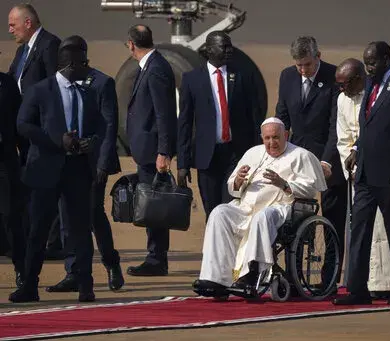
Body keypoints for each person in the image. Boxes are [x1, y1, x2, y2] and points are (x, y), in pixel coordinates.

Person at [9, 36, 105, 303]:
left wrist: (91, 142)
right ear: (71, 64)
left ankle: (86, 285)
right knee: (38, 230)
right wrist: (57, 140)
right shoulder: (41, 90)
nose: (88, 67)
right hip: (45, 170)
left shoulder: (88, 90)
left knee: (80, 229)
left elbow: (100, 125)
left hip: (77, 170)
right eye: (84, 62)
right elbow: (23, 125)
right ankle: (29, 285)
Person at [193, 118, 326, 294]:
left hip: (281, 208)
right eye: (267, 138)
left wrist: (284, 183)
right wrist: (238, 181)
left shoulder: (301, 156)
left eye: (276, 137)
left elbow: (311, 189)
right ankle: (215, 279)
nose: (272, 143)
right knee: (219, 213)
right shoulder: (252, 153)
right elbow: (232, 186)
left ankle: (252, 274)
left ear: (285, 135)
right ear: (262, 138)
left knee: (262, 217)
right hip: (246, 207)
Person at [333, 41, 390, 306]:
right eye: (366, 63)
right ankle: (357, 290)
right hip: (365, 173)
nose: (369, 68)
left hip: (389, 174)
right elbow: (366, 124)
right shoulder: (371, 84)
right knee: (358, 230)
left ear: (387, 59)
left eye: (372, 63)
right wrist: (357, 147)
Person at [46, 61, 124, 292]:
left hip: (92, 164)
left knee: (92, 214)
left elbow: (109, 126)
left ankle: (111, 263)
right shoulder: (58, 83)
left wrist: (102, 163)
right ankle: (74, 272)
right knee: (65, 216)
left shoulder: (102, 82)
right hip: (65, 161)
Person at [275, 36, 347, 287]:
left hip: (328, 158)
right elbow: (282, 117)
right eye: (299, 65)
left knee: (333, 220)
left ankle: (328, 279)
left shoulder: (334, 77)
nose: (303, 70)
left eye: (307, 64)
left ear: (318, 56)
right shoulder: (287, 77)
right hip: (296, 160)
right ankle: (294, 278)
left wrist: (326, 162)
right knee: (295, 219)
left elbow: (335, 126)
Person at [177, 31, 262, 220]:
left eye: (230, 46)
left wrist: (258, 154)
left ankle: (229, 250)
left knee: (230, 208)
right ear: (209, 50)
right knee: (212, 211)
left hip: (236, 154)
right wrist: (182, 164)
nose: (229, 50)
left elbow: (254, 117)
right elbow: (184, 122)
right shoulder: (192, 79)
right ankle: (213, 249)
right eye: (224, 46)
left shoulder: (242, 75)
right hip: (207, 158)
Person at [335, 58, 390, 299]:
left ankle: (386, 283)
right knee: (362, 231)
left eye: (345, 84)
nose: (342, 90)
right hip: (358, 174)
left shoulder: (376, 93)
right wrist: (351, 166)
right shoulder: (342, 100)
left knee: (384, 227)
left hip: (381, 169)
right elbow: (343, 137)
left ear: (359, 78)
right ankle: (362, 284)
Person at [7, 3, 63, 260]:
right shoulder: (21, 51)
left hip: (41, 131)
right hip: (22, 130)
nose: (10, 30)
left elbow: (56, 86)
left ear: (27, 23)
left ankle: (54, 244)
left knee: (47, 186)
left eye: (12, 24)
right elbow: (11, 83)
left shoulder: (50, 45)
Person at [125, 25, 177, 277]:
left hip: (153, 152)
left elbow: (164, 113)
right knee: (150, 204)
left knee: (154, 205)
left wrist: (163, 151)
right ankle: (156, 256)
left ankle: (156, 259)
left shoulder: (156, 68)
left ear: (131, 44)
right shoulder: (151, 65)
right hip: (146, 150)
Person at [0, 71, 24, 288]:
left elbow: (19, 124)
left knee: (11, 217)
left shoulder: (6, 84)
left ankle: (21, 270)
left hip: (5, 163)